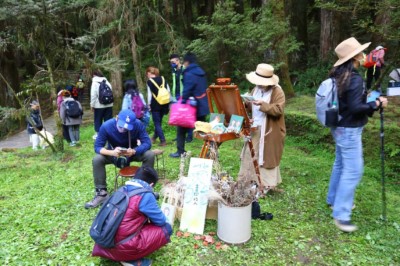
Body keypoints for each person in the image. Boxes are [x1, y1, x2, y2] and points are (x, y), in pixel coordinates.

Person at [326, 37, 388, 232]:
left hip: (339, 126)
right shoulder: (354, 78)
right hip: (350, 130)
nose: (363, 57)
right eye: (361, 54)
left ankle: (333, 199)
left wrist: (367, 100)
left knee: (340, 164)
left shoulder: (339, 75)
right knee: (353, 170)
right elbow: (355, 107)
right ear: (354, 57)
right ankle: (341, 215)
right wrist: (376, 104)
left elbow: (348, 103)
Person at [92, 166, 172, 266]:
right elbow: (161, 221)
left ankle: (121, 254)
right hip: (122, 247)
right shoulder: (145, 195)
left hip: (104, 242)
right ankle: (130, 260)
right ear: (150, 184)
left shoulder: (122, 189)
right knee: (167, 227)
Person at [85, 109, 155, 209]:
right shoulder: (107, 126)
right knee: (97, 159)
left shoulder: (138, 124)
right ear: (117, 118)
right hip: (113, 154)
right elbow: (97, 147)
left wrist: (135, 151)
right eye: (121, 126)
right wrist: (111, 152)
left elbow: (147, 143)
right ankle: (101, 194)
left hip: (132, 153)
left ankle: (143, 188)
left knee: (149, 155)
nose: (123, 129)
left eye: (127, 128)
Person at [238, 63, 286, 192]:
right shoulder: (256, 89)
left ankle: (265, 184)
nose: (259, 84)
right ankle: (249, 180)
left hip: (270, 130)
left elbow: (278, 110)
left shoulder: (277, 91)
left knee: (266, 157)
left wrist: (263, 104)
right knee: (250, 153)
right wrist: (247, 103)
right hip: (255, 127)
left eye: (262, 82)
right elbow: (251, 106)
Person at [170, 52, 210, 158]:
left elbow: (187, 89)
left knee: (181, 130)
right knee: (205, 130)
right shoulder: (201, 72)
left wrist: (182, 103)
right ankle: (210, 151)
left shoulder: (189, 73)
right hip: (202, 105)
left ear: (187, 62)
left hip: (191, 107)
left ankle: (180, 151)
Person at [146, 66, 170, 147]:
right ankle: (153, 138)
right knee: (159, 122)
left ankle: (163, 140)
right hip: (165, 103)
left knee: (157, 123)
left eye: (147, 74)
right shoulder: (163, 79)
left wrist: (149, 104)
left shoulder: (149, 82)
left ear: (149, 73)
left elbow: (149, 95)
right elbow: (168, 91)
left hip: (155, 105)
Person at [90, 70, 113, 140]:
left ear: (94, 75)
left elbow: (93, 95)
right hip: (109, 104)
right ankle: (109, 134)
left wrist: (92, 105)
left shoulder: (94, 82)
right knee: (108, 120)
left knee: (98, 120)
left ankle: (98, 134)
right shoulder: (107, 81)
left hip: (99, 105)